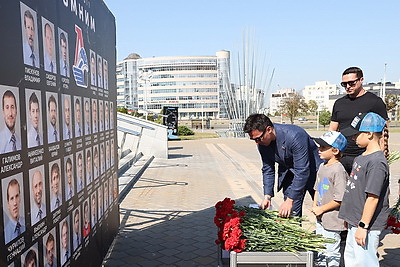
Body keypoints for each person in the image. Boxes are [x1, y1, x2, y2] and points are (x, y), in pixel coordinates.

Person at [243, 114, 323, 217]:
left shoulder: (295, 135)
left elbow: (302, 171)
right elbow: (268, 169)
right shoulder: (262, 144)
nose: (257, 143)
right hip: (290, 174)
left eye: (258, 138)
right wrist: (267, 196)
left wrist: (290, 200)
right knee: (291, 214)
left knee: (322, 211)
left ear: (269, 129)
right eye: (253, 140)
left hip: (314, 172)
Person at [338, 112, 389, 267]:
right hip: (355, 220)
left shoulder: (377, 162)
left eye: (356, 134)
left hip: (367, 225)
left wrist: (363, 226)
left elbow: (373, 198)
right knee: (352, 261)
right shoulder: (361, 157)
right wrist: (350, 218)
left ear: (369, 134)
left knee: (364, 262)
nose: (353, 138)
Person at [329, 67, 388, 174]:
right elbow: (332, 130)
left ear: (361, 80)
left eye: (351, 83)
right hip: (341, 155)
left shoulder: (375, 102)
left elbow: (384, 132)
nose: (348, 87)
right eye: (344, 84)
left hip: (364, 155)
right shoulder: (339, 103)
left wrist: (380, 155)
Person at [311, 131, 348, 267]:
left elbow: (340, 198)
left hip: (332, 220)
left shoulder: (338, 170)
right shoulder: (322, 166)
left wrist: (321, 209)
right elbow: (317, 188)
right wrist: (315, 205)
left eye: (323, 147)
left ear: (335, 150)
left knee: (331, 250)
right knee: (320, 248)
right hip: (320, 217)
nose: (319, 149)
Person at [4, 178, 26, 243]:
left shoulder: (27, 222)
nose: (15, 203)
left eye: (17, 196)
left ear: (20, 198)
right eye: (11, 198)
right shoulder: (5, 235)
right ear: (8, 203)